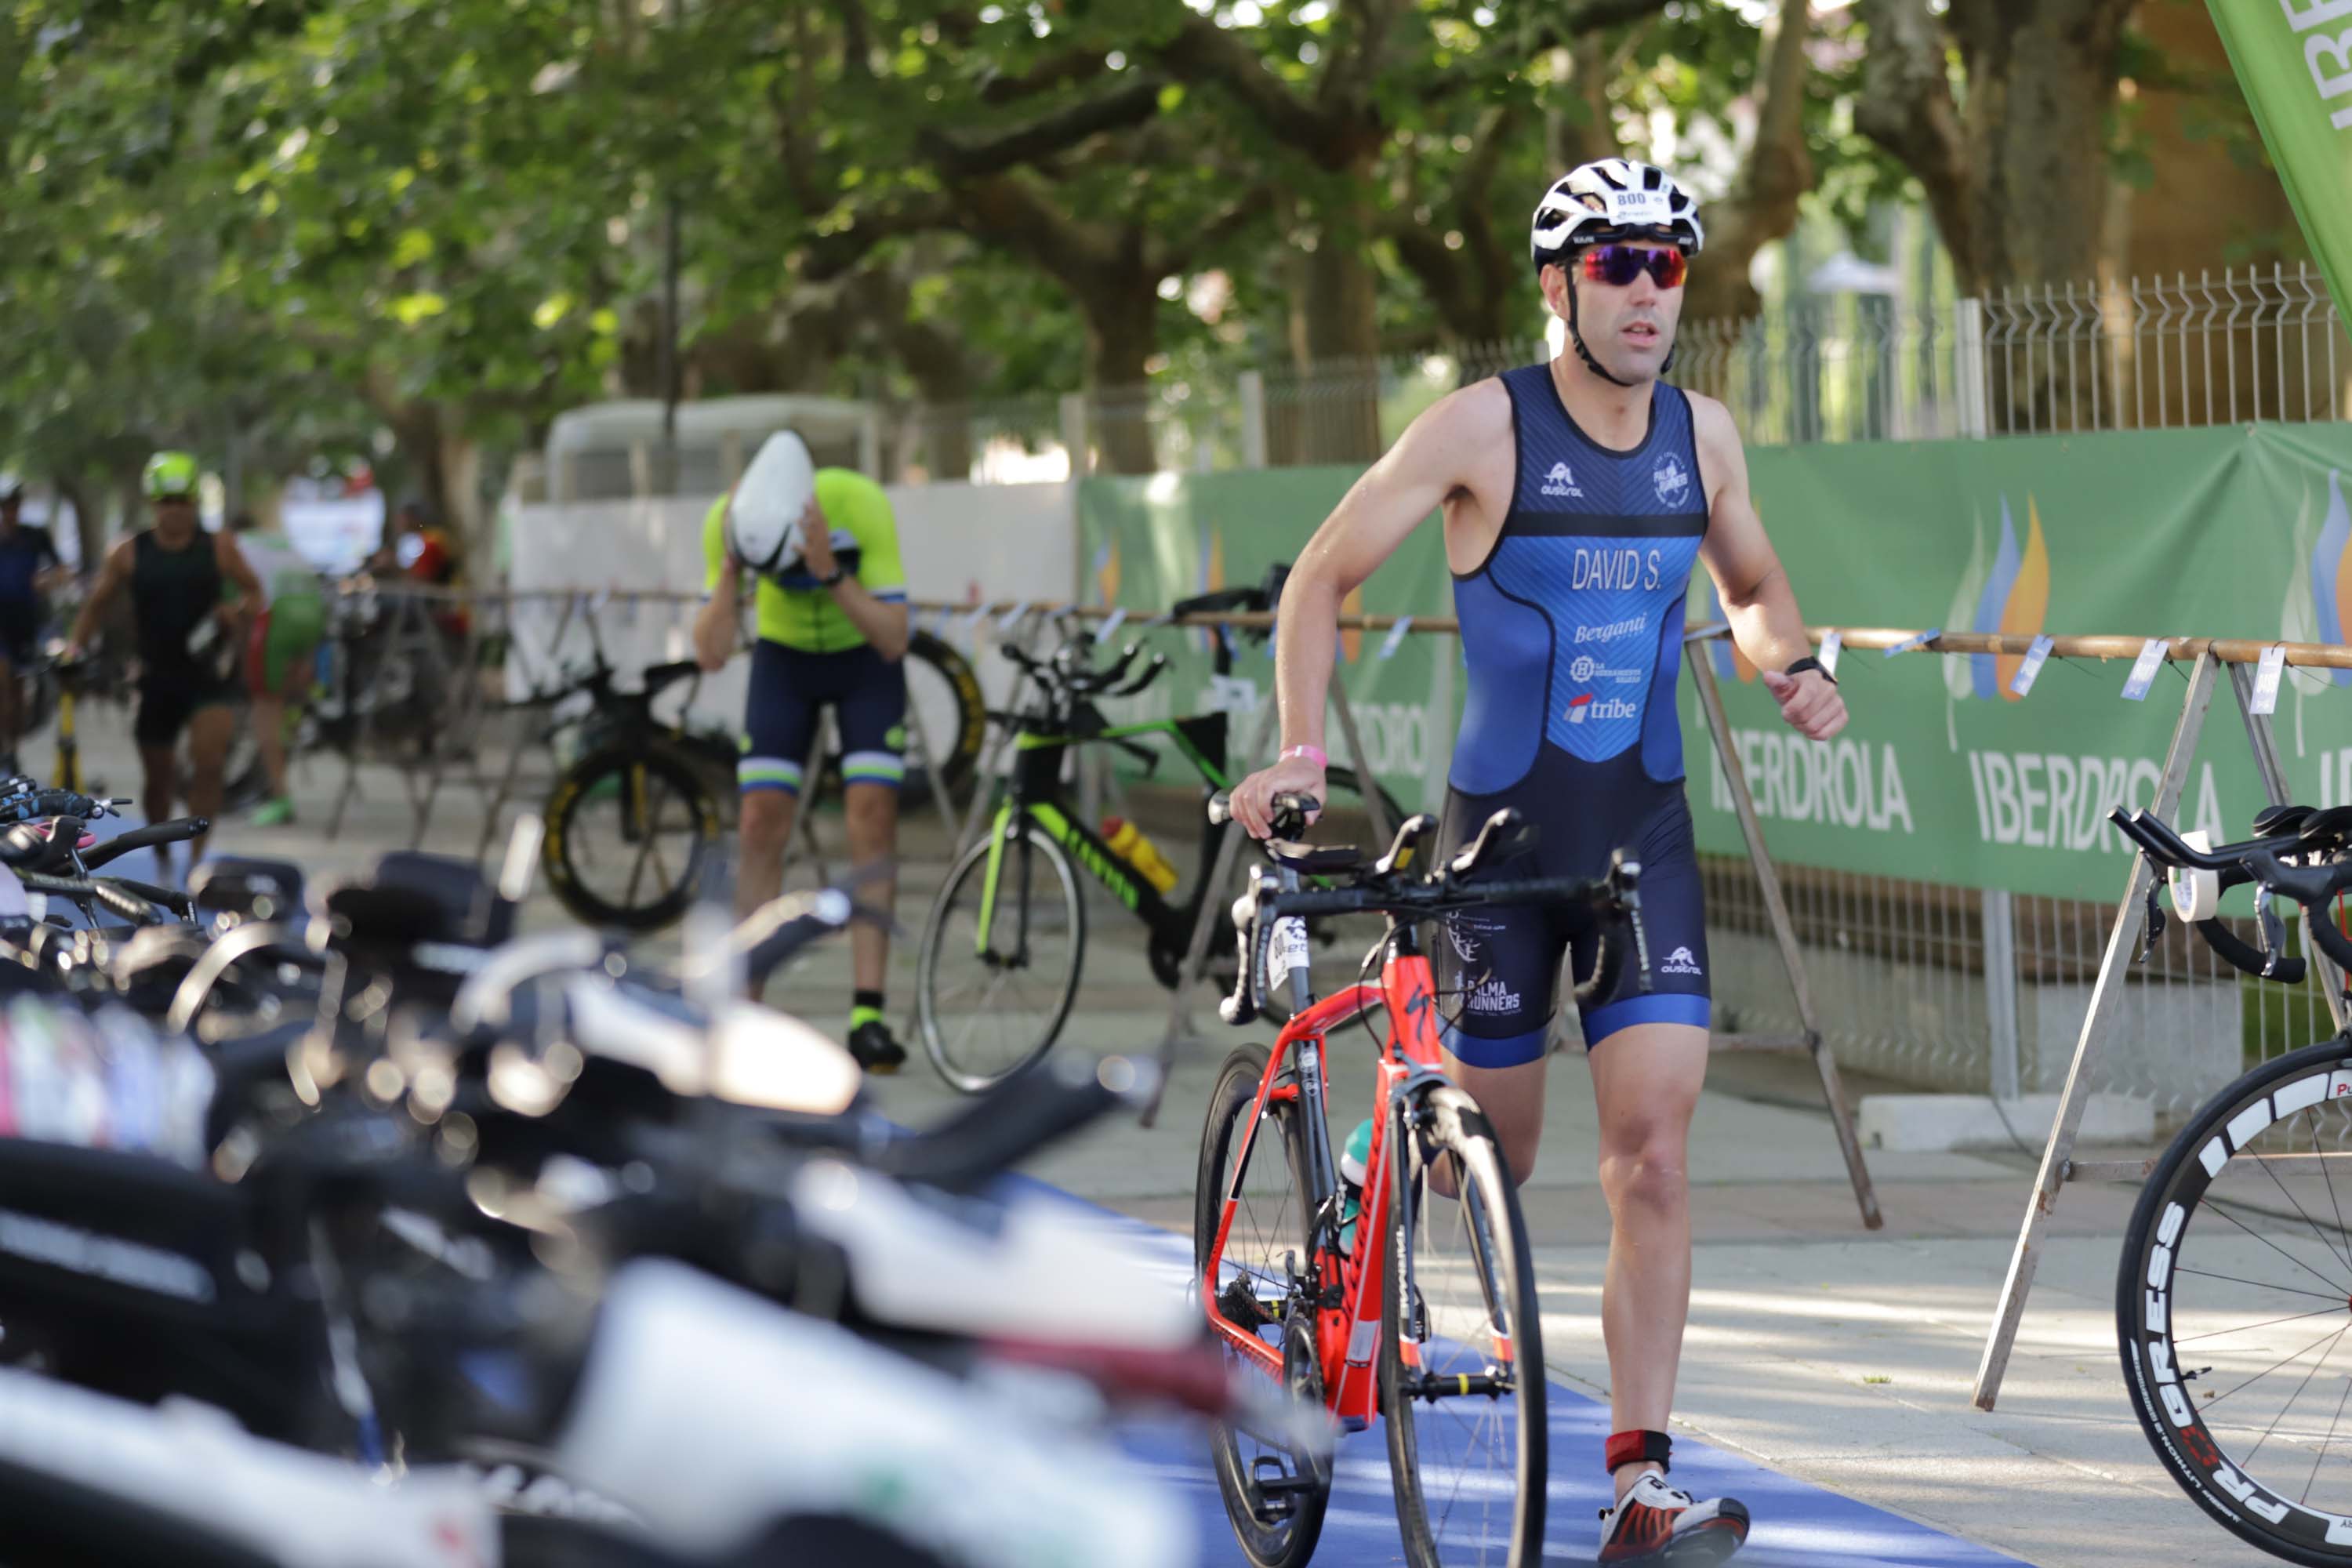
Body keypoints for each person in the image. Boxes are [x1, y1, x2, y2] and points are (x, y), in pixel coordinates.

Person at [1229, 159, 1847, 1564]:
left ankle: (1640, 1484)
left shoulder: (1707, 436)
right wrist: (1302, 747)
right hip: (1496, 855)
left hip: (1643, 845)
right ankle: (1362, 1236)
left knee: (1657, 1160)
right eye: (1616, 264)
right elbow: (1324, 574)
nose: (1647, 290)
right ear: (1560, 284)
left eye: (1668, 265)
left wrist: (1789, 665)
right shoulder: (1480, 430)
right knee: (1485, 1163)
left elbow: (1748, 587)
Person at [692, 440, 911, 1073]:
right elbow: (710, 653)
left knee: (870, 815)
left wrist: (830, 573)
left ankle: (868, 1009)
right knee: (760, 820)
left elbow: (894, 639)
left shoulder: (857, 503)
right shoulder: (725, 522)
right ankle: (744, 1008)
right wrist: (731, 577)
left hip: (863, 658)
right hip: (784, 662)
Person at [64, 452, 263, 873]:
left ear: (195, 502)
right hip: (156, 675)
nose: (175, 509)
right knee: (160, 777)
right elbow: (95, 606)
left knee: (209, 761)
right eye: (166, 500)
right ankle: (163, 854)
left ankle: (196, 858)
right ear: (154, 503)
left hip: (209, 674)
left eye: (183, 500)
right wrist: (73, 649)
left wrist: (237, 614)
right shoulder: (129, 553)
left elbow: (254, 593)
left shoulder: (220, 546)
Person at [229, 510, 328, 826]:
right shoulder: (280, 543)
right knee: (284, 710)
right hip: (311, 619)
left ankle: (280, 798)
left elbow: (240, 605)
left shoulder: (234, 547)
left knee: (265, 711)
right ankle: (275, 781)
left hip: (275, 622)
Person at [0, 475, 66, 773]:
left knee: (15, 694)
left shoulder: (35, 536)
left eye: (13, 505)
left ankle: (12, 747)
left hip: (25, 623)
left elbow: (61, 569)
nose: (9, 511)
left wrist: (47, 580)